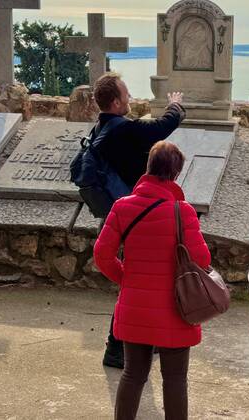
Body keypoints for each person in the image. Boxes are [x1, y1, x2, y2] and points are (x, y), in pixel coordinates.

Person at [93, 141, 211, 420]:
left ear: (148, 167)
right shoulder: (183, 211)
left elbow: (102, 255)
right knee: (175, 378)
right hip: (175, 309)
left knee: (132, 374)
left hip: (135, 305)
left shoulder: (122, 207)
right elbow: (202, 259)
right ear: (176, 173)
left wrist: (126, 279)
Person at [92, 72, 187, 369]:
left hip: (121, 211)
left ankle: (139, 340)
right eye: (126, 94)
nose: (130, 98)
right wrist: (175, 106)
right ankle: (115, 348)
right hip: (134, 216)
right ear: (115, 102)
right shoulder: (122, 129)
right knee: (134, 285)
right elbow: (160, 128)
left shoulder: (101, 128)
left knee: (139, 284)